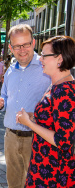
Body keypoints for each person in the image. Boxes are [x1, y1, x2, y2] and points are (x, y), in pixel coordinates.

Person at [0, 24, 51, 187]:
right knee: (13, 183)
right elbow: (4, 96)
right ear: (11, 47)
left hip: (37, 139)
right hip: (10, 137)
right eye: (17, 46)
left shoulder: (46, 67)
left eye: (26, 44)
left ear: (33, 43)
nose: (22, 49)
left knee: (36, 183)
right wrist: (0, 103)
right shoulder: (10, 70)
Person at [16, 36, 75, 187]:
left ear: (59, 59)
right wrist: (34, 118)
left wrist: (29, 123)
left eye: (44, 55)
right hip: (44, 165)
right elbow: (54, 122)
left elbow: (64, 141)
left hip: (54, 172)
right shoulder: (56, 85)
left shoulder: (65, 91)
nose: (40, 59)